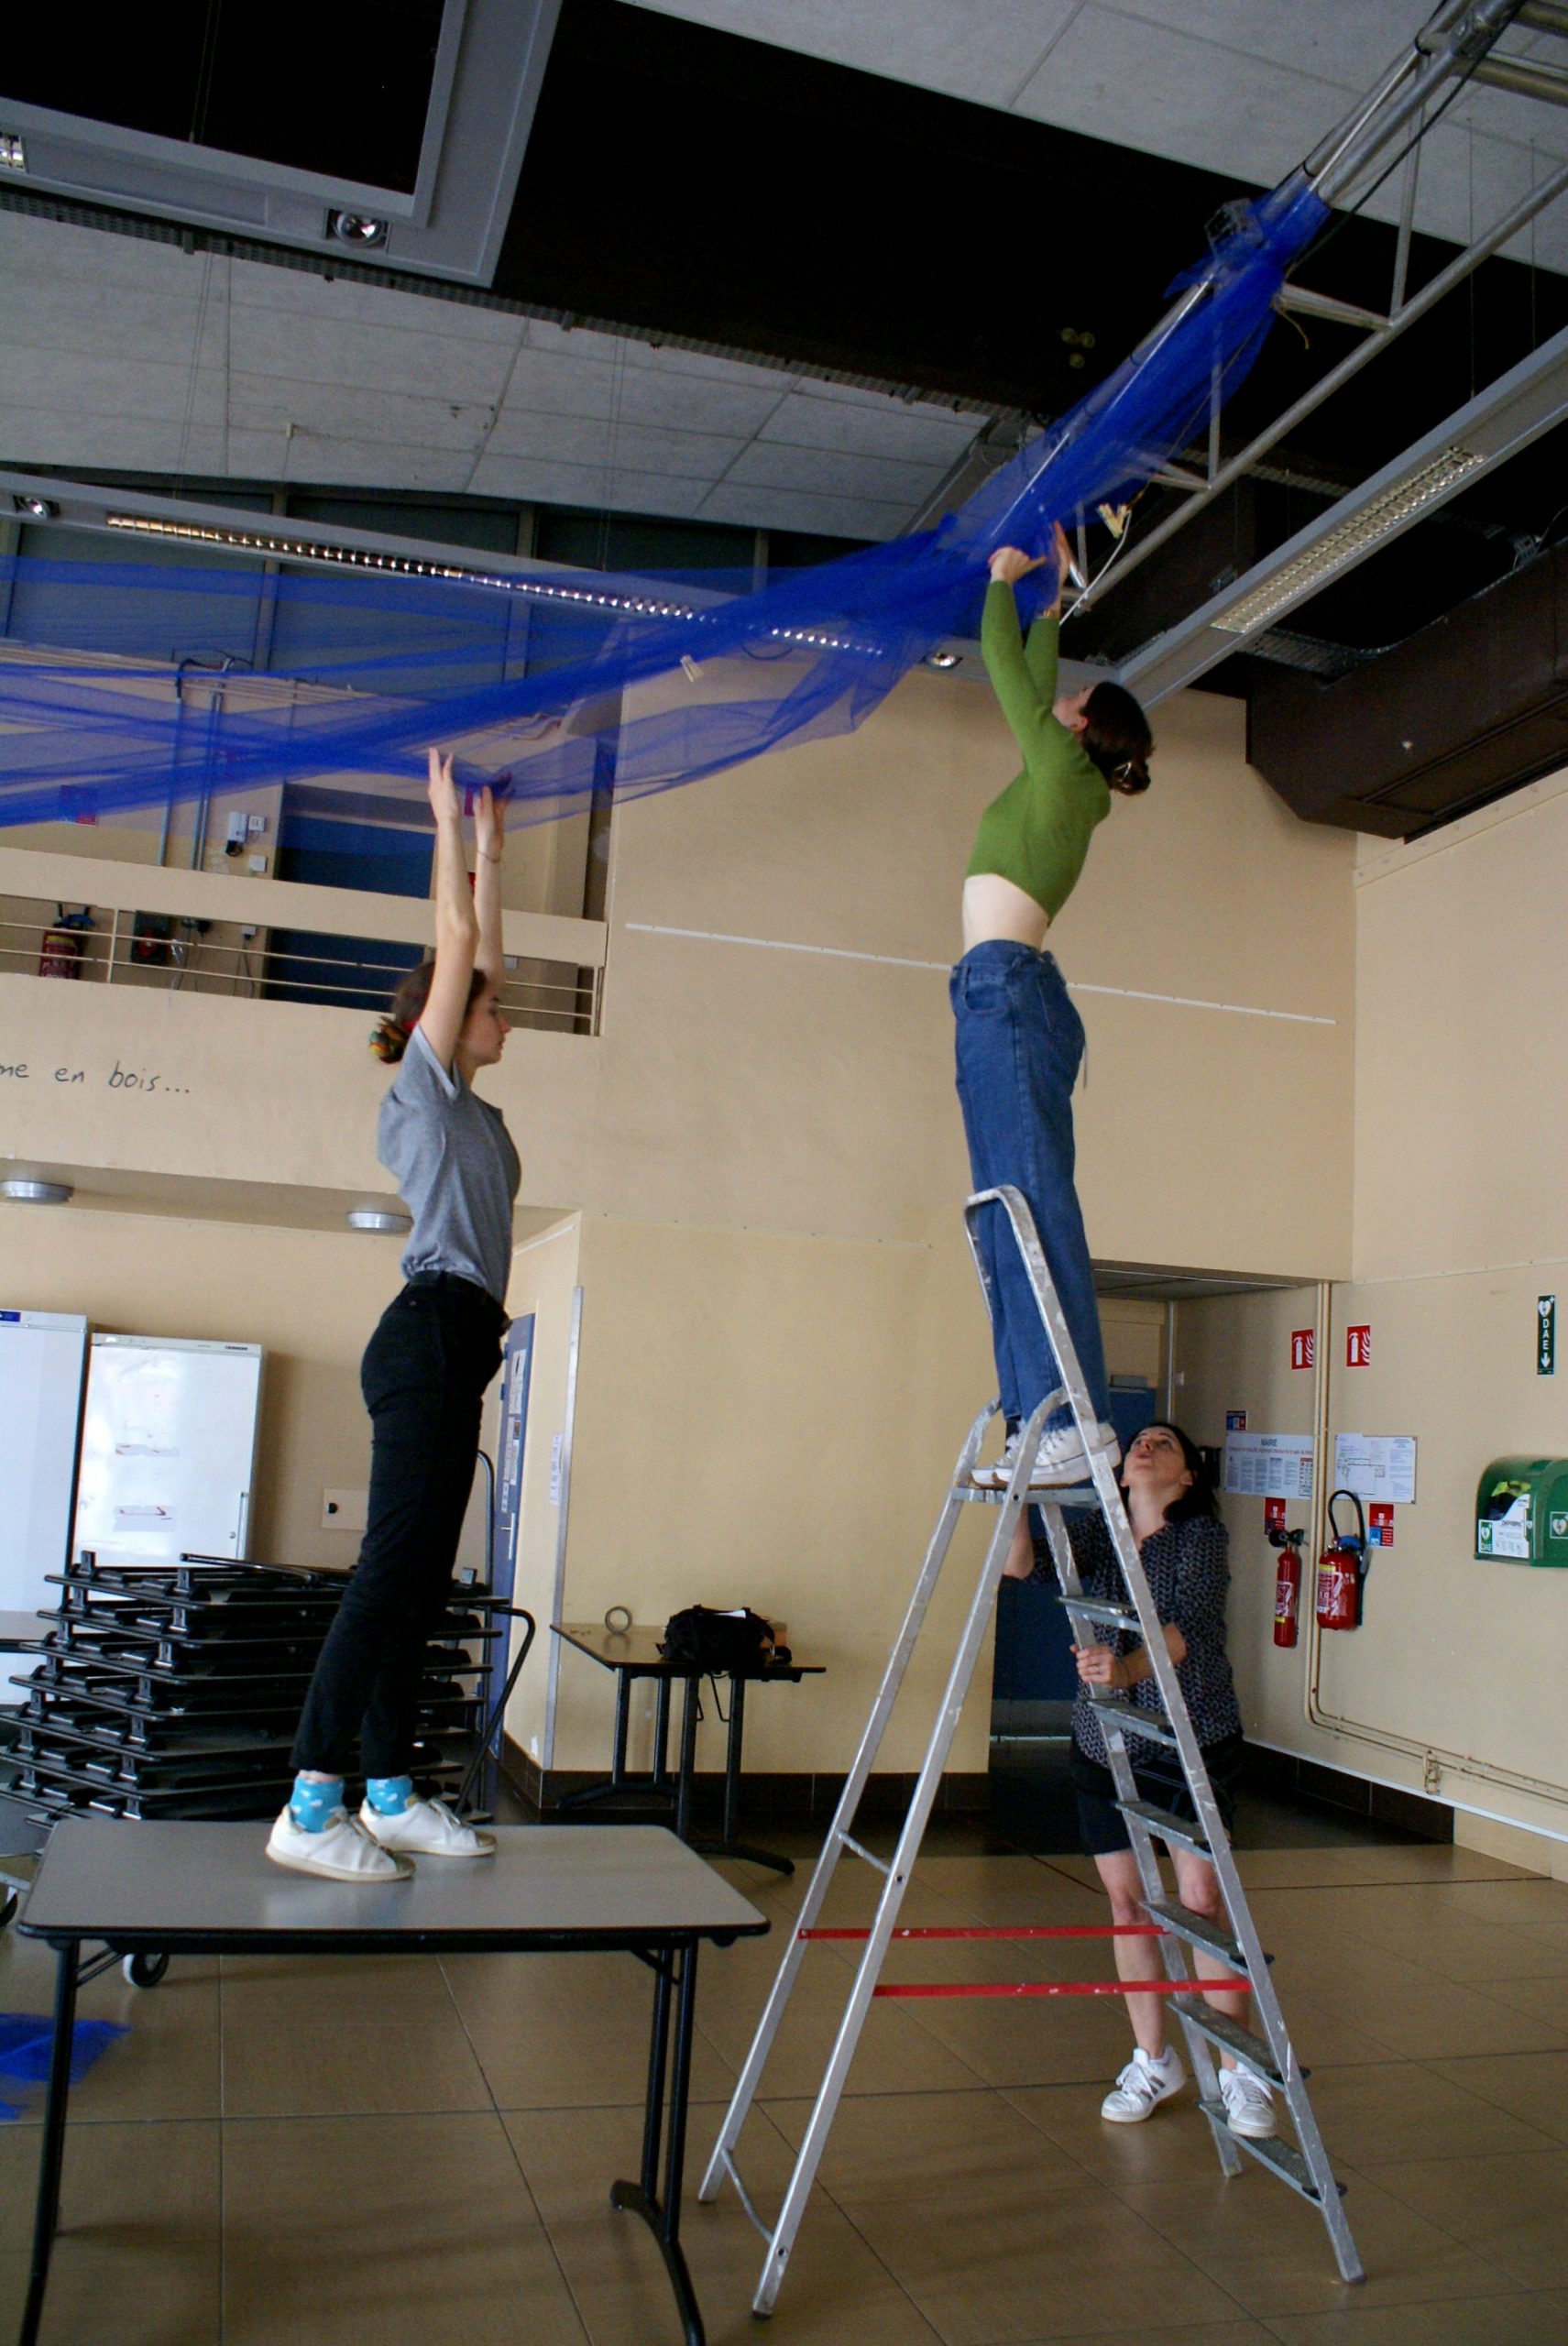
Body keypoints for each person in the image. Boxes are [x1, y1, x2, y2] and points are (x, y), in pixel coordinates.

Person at [268, 751, 519, 1883]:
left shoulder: (470, 1102)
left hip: (458, 1348)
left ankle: (388, 1792)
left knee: (419, 1584)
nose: (505, 1013)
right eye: (487, 1005)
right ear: (440, 1019)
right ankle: (310, 1802)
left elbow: (481, 949)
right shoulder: (420, 1088)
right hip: (426, 1337)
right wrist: (442, 828)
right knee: (386, 1578)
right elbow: (456, 946)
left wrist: (494, 852)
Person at [1008, 1420, 1274, 2139]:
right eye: (1140, 1441)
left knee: (1198, 1902)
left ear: (1186, 1478)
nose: (1145, 1447)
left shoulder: (1198, 1538)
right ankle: (1153, 2061)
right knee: (1127, 1909)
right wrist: (1016, 1487)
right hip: (1106, 1745)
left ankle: (1238, 2070)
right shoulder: (1101, 1532)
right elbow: (1022, 1563)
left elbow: (1192, 1627)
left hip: (1190, 1742)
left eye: (1166, 1444)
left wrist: (1124, 1669)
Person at [956, 527, 1153, 1490]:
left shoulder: (1065, 773)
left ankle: (1072, 1421)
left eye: (1071, 702)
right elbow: (1032, 684)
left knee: (1027, 1208)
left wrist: (1002, 587)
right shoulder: (1064, 776)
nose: (1058, 702)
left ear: (1081, 726)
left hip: (1007, 993)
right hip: (997, 993)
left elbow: (1008, 678)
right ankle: (1038, 1420)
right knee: (1006, 1217)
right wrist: (1050, 603)